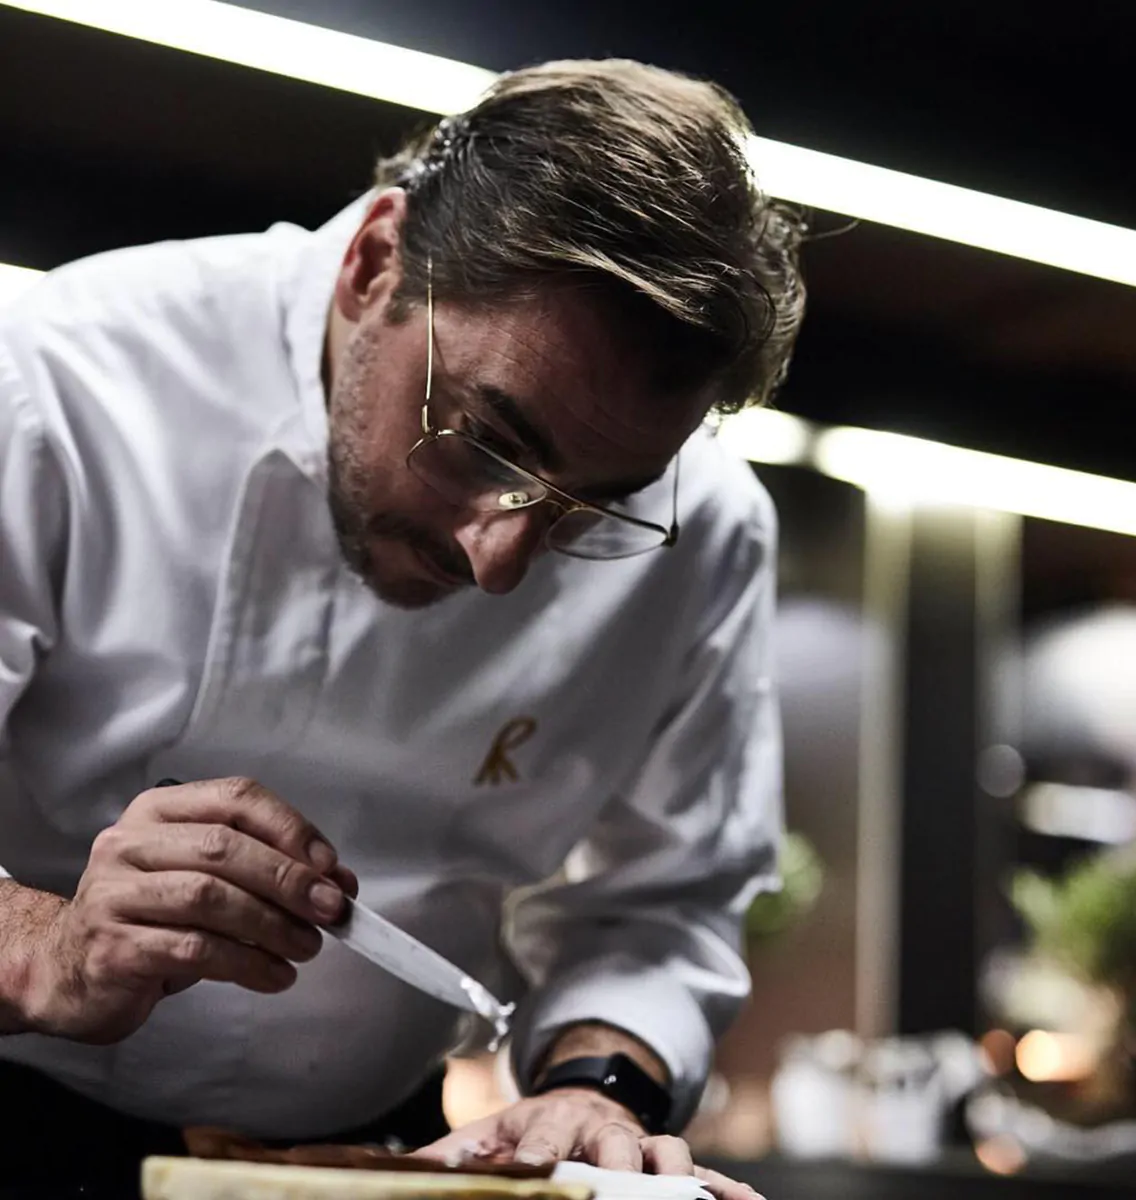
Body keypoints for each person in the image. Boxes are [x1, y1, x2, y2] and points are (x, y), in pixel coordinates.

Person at [0, 58, 804, 1196]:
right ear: (376, 262)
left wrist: (596, 1088)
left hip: (383, 1150)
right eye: (485, 440)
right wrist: (43, 948)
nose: (499, 560)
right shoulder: (54, 384)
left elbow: (658, 908)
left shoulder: (705, 531)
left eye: (591, 507)